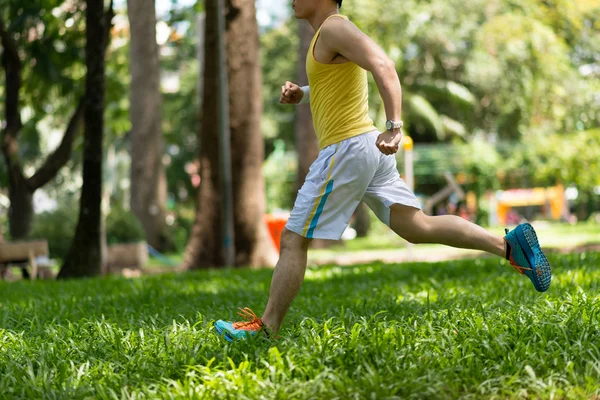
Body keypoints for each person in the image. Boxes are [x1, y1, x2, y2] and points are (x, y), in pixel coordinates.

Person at [214, 0, 552, 342]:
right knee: (417, 226)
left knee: (293, 239)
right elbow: (338, 84)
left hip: (346, 149)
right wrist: (301, 94)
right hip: (364, 148)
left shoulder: (333, 27)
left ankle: (265, 329)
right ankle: (509, 246)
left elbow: (383, 65)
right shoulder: (327, 35)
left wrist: (394, 126)